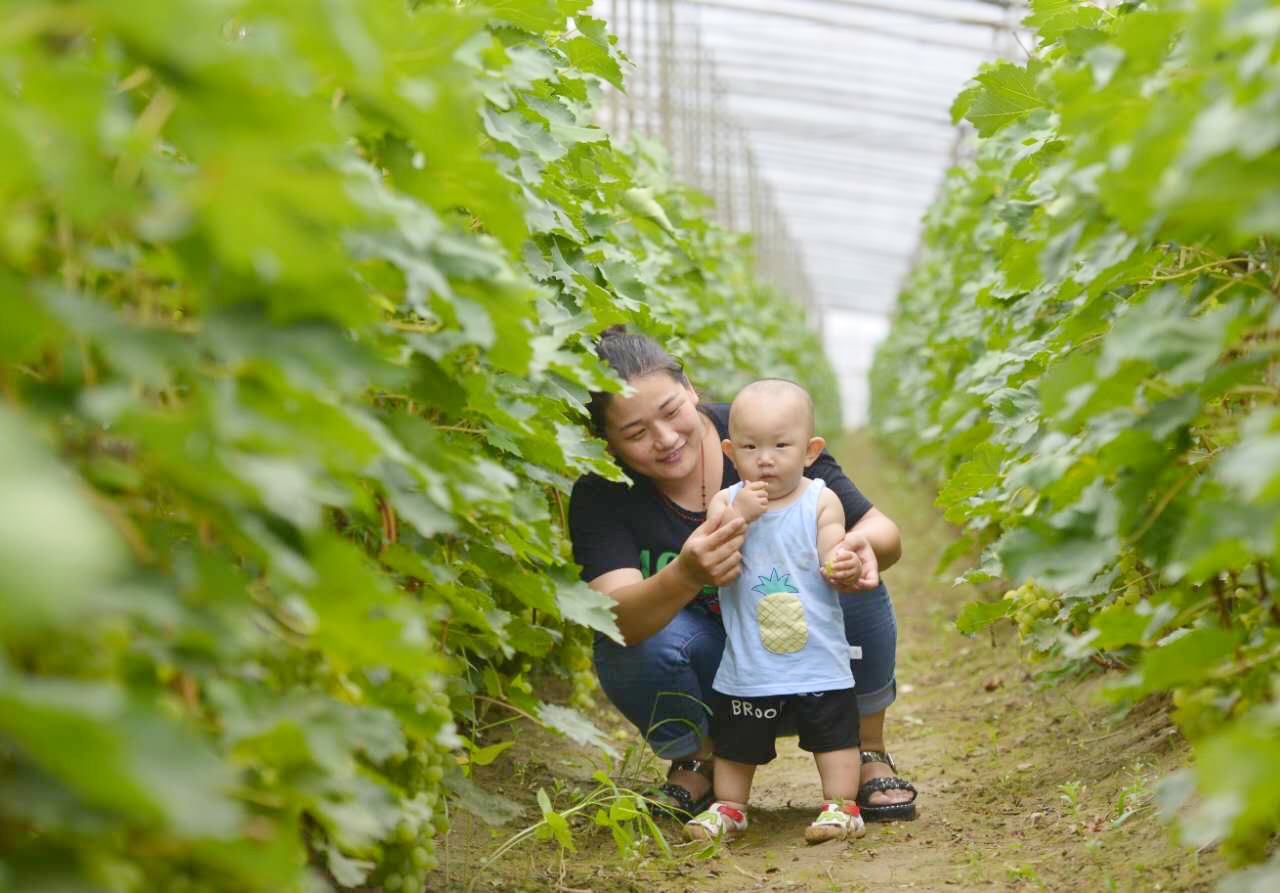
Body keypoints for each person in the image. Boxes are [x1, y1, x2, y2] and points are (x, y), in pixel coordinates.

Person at [568, 328, 916, 822]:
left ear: (690, 389)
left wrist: (860, 549)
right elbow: (614, 619)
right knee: (631, 640)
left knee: (854, 574)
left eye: (670, 412)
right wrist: (684, 575)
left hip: (814, 658)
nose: (665, 439)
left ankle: (867, 750)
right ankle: (698, 759)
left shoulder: (760, 431)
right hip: (723, 676)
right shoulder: (602, 491)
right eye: (636, 433)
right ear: (607, 442)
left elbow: (884, 532)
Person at [683, 378, 867, 844]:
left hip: (818, 656)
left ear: (810, 450)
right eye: (750, 446)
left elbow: (832, 539)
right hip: (751, 658)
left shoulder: (819, 499)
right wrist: (739, 513)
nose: (765, 458)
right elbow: (707, 549)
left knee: (835, 736)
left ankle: (842, 806)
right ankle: (730, 807)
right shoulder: (725, 502)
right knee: (737, 741)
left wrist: (839, 560)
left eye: (781, 445)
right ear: (730, 451)